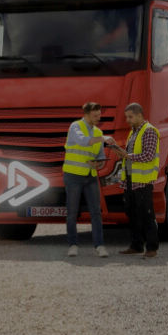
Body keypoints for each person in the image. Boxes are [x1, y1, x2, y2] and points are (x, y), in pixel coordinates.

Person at [62, 102, 117, 258]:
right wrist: (103, 138)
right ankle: (73, 245)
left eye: (99, 115)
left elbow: (99, 156)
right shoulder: (75, 127)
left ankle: (99, 246)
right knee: (72, 213)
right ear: (86, 114)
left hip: (91, 176)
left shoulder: (98, 131)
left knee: (96, 213)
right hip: (73, 175)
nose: (98, 118)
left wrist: (98, 163)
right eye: (95, 115)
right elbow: (83, 141)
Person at [118, 102, 161, 258]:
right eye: (126, 117)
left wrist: (127, 156)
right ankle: (136, 246)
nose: (127, 120)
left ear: (139, 115)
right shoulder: (133, 132)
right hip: (130, 180)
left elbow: (148, 155)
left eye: (130, 117)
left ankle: (152, 248)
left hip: (142, 181)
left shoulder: (149, 131)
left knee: (146, 214)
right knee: (132, 213)